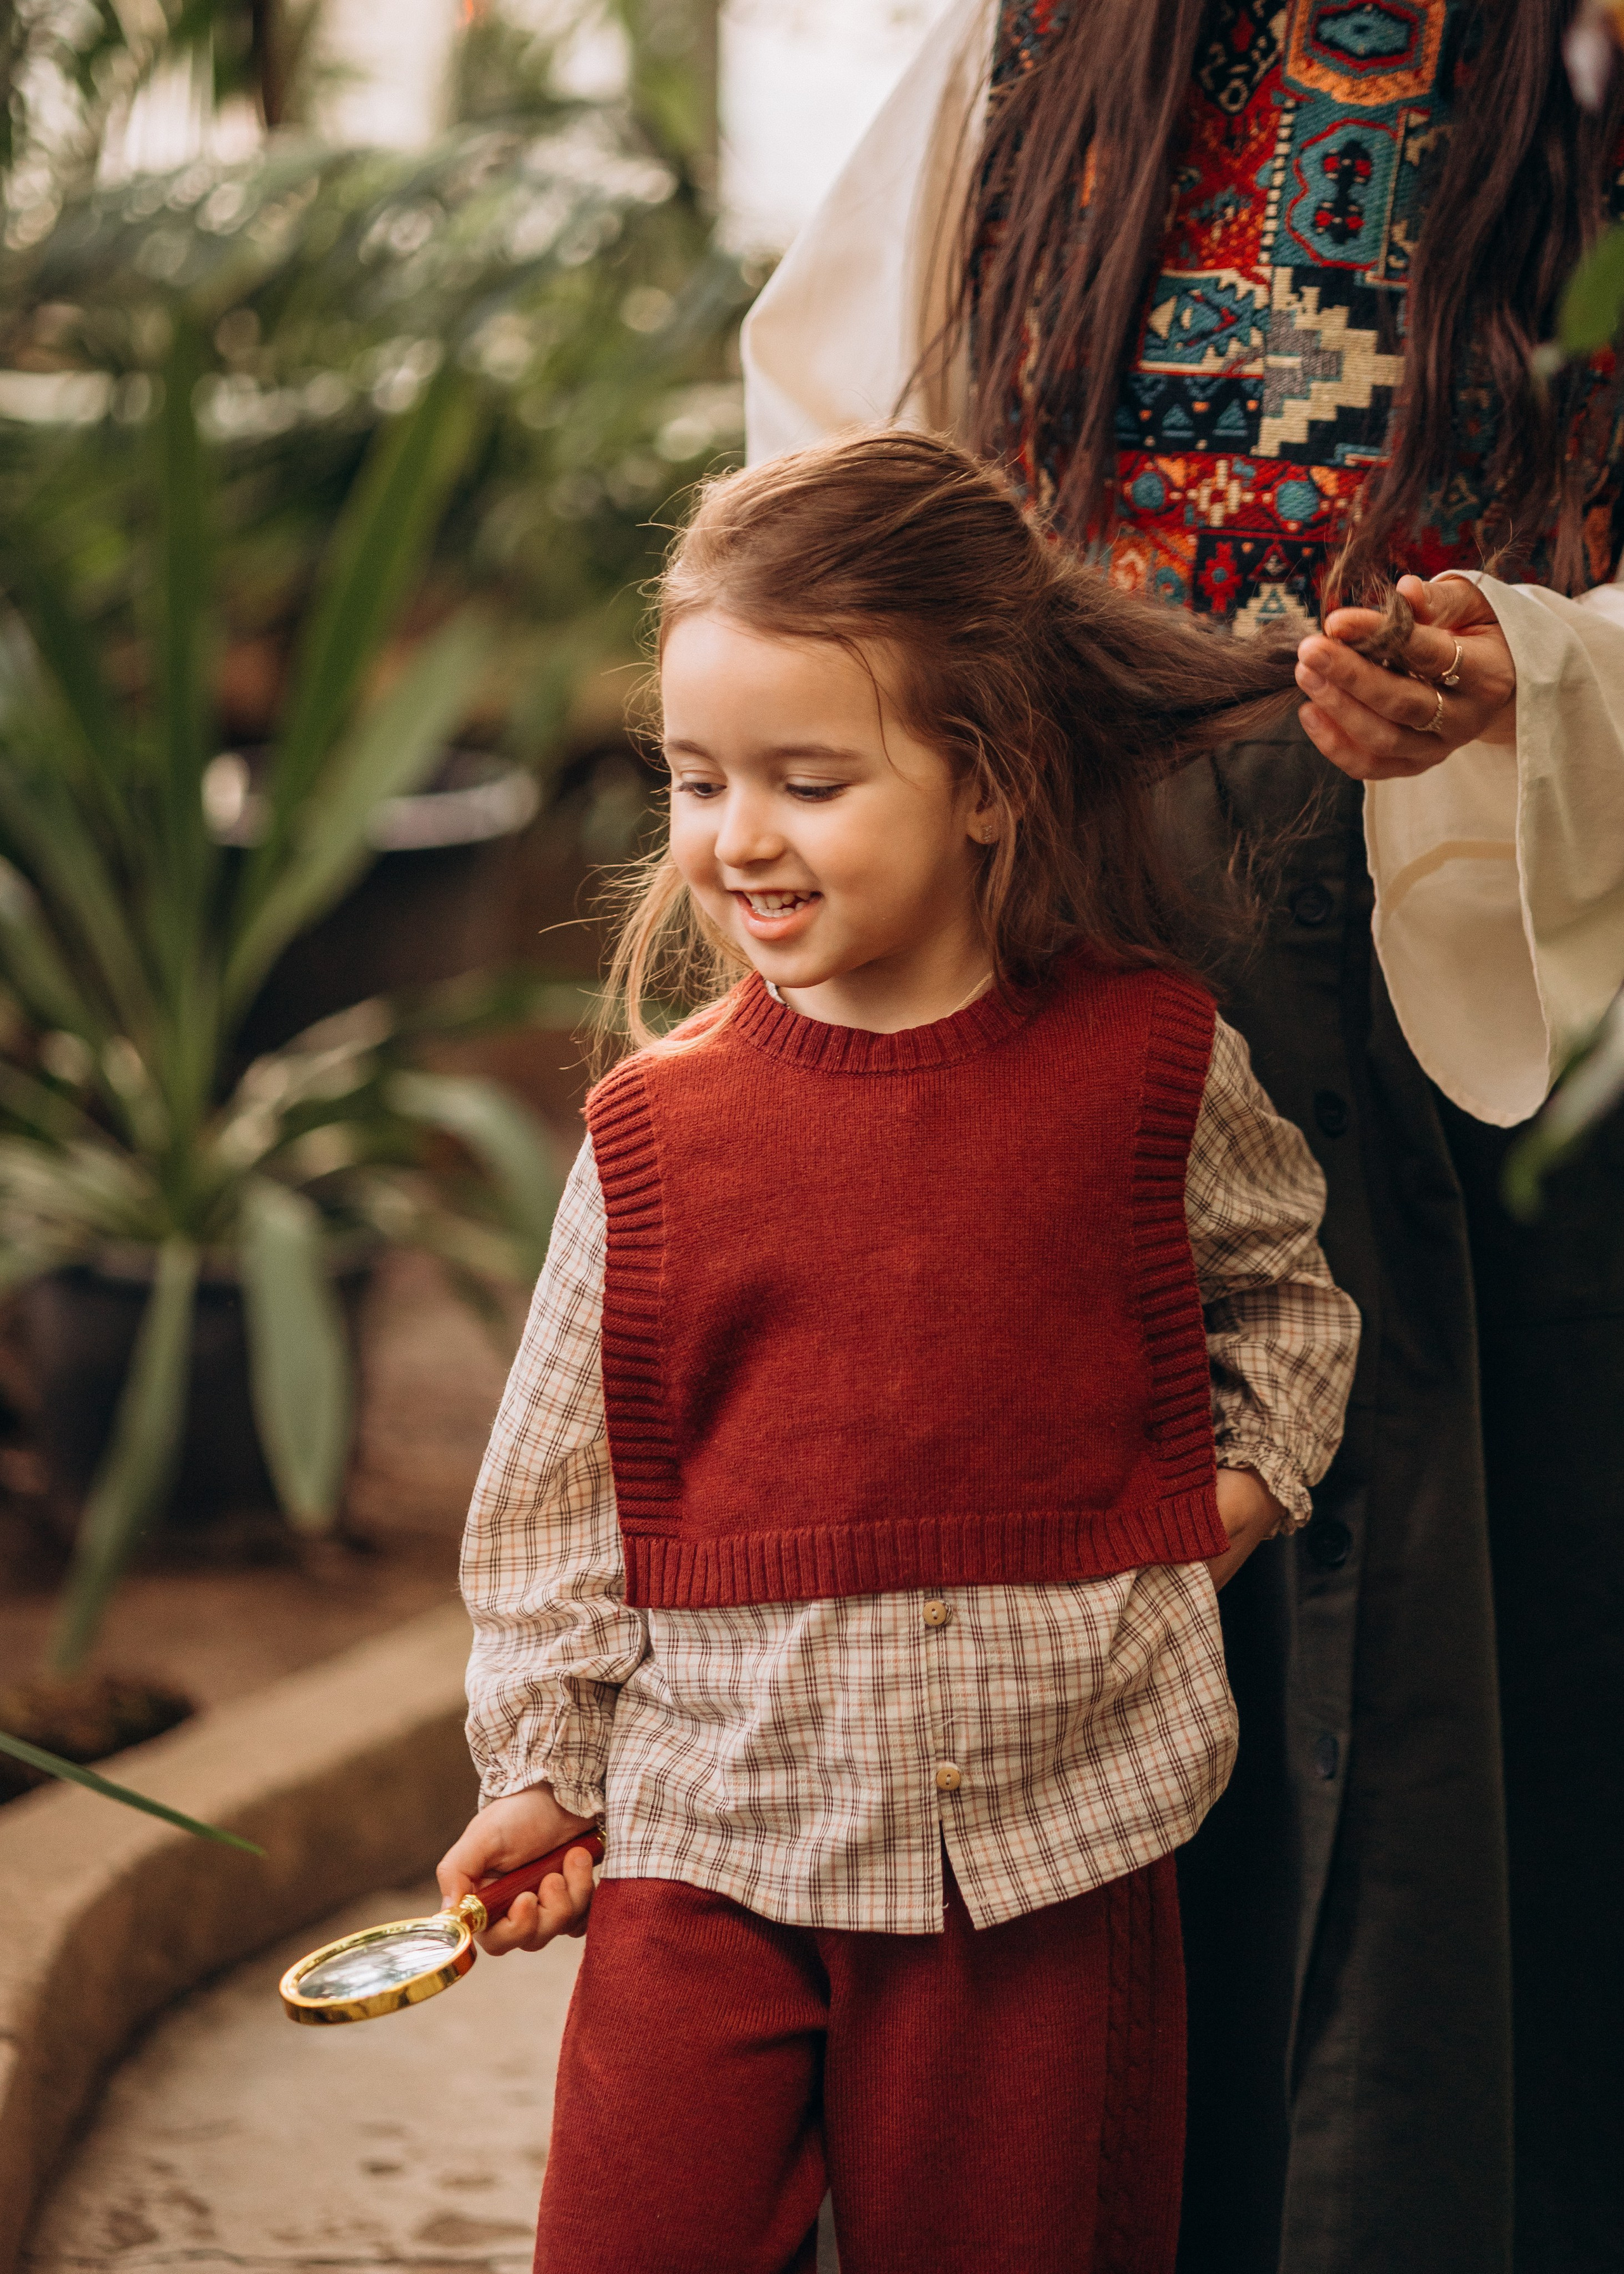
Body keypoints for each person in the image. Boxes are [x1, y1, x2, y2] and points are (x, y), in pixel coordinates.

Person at [738, 7, 1624, 2272]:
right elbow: (835, 466)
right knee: (1024, 1727)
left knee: (1472, 1753)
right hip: (1060, 974)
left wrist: (1531, 669)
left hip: (1476, 1009)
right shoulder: (1040, 49)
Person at [436, 431, 1360, 2274]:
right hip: (717, 1843)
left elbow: (1288, 1298)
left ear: (990, 782)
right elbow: (552, 1498)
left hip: (1048, 1851)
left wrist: (1224, 1504)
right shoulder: (655, 1137)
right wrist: (543, 1766)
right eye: (697, 780)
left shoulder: (1150, 1066)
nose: (736, 837)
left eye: (809, 779)